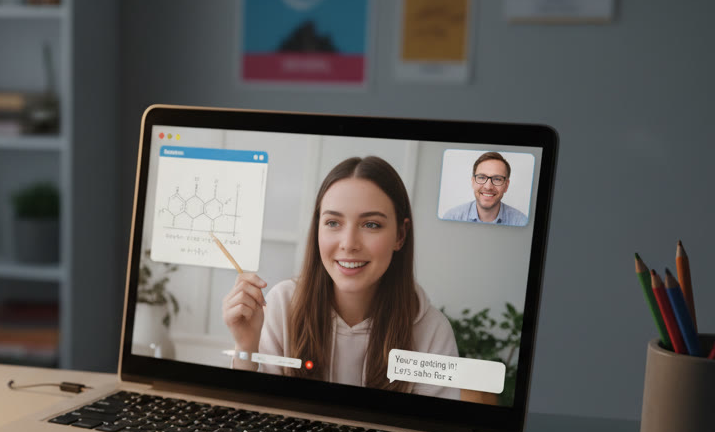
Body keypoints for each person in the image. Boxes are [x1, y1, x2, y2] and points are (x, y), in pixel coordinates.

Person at [222, 155, 459, 398]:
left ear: (400, 235)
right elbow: (255, 418)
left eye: (371, 225)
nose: (349, 244)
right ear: (317, 229)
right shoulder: (282, 304)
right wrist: (246, 347)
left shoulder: (432, 331)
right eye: (333, 222)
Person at [441, 151, 528, 226]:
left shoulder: (521, 222)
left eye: (497, 179)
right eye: (482, 177)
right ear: (473, 182)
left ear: (506, 185)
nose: (488, 187)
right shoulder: (451, 218)